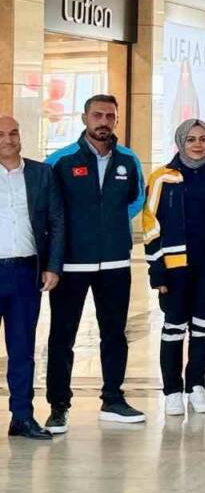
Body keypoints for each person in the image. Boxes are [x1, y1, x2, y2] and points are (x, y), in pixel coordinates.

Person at [45, 94, 146, 431]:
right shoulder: (60, 161)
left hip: (115, 262)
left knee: (114, 334)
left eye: (110, 116)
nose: (104, 121)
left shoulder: (128, 160)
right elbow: (49, 207)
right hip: (72, 264)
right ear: (85, 118)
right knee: (63, 336)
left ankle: (113, 399)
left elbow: (136, 199)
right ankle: (58, 405)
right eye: (98, 115)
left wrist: (112, 224)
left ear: (116, 120)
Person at [141, 119, 205, 417]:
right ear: (180, 142)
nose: (198, 144)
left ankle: (195, 385)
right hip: (175, 268)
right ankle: (172, 390)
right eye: (191, 139)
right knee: (174, 328)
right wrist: (157, 270)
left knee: (203, 327)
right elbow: (150, 225)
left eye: (203, 139)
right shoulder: (162, 177)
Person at [0, 115, 64, 440]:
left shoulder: (41, 174)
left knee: (23, 348)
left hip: (26, 272)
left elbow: (57, 220)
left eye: (13, 133)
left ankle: (22, 417)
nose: (8, 139)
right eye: (1, 134)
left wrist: (53, 266)